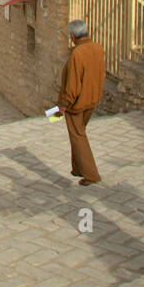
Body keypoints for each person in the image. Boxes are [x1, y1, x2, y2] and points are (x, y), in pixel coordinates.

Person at [57, 19, 106, 186]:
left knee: (78, 136)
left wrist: (64, 104)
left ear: (72, 36)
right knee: (79, 133)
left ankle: (91, 175)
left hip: (76, 104)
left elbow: (73, 83)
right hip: (92, 99)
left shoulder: (78, 53)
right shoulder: (98, 48)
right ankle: (78, 168)